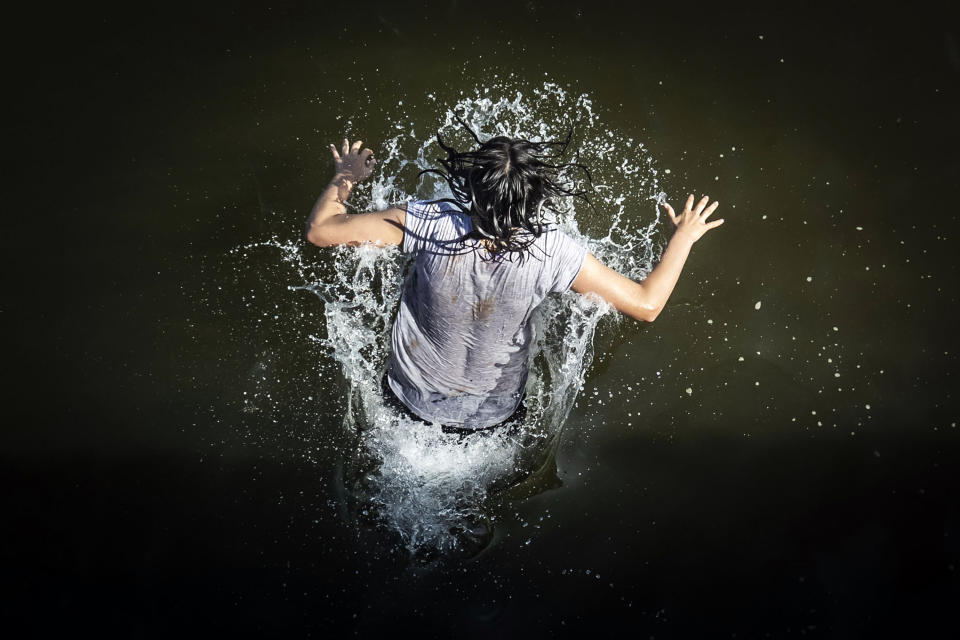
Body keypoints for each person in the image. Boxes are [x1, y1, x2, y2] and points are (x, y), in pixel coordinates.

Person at [306, 129, 723, 435]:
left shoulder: (427, 222)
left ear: (471, 186)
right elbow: (647, 305)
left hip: (407, 402)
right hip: (494, 422)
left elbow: (321, 230)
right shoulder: (553, 251)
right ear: (538, 197)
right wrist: (684, 236)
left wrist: (346, 176)